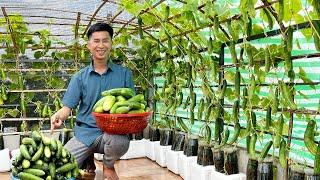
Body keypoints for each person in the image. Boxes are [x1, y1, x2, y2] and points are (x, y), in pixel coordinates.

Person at [50, 22, 135, 180]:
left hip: (113, 133)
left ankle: (108, 166)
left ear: (111, 44)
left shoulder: (124, 74)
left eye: (105, 40)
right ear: (89, 45)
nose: (101, 45)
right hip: (86, 133)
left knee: (120, 142)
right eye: (96, 41)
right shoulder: (79, 77)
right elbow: (67, 108)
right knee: (60, 166)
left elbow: (131, 105)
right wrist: (58, 117)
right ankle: (87, 159)